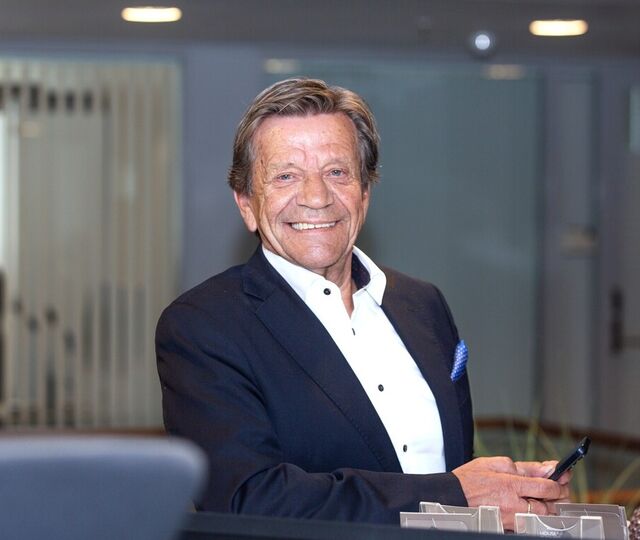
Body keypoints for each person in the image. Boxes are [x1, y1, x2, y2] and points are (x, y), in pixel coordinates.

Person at [156, 77, 569, 527]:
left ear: (365, 193)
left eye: (337, 172)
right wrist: (454, 494)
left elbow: (445, 463)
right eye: (286, 176)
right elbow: (248, 501)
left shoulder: (423, 304)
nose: (316, 197)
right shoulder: (203, 326)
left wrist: (506, 489)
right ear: (246, 205)